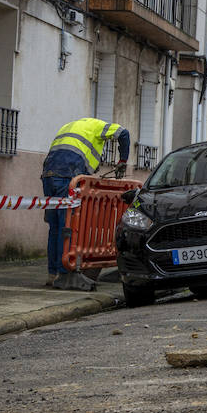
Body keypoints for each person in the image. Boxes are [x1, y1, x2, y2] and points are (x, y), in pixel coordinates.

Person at [41, 117, 130, 290]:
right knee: (67, 225)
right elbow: (123, 134)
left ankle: (53, 274)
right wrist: (122, 161)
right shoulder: (98, 126)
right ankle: (64, 272)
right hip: (68, 175)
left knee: (55, 226)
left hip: (48, 175)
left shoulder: (69, 126)